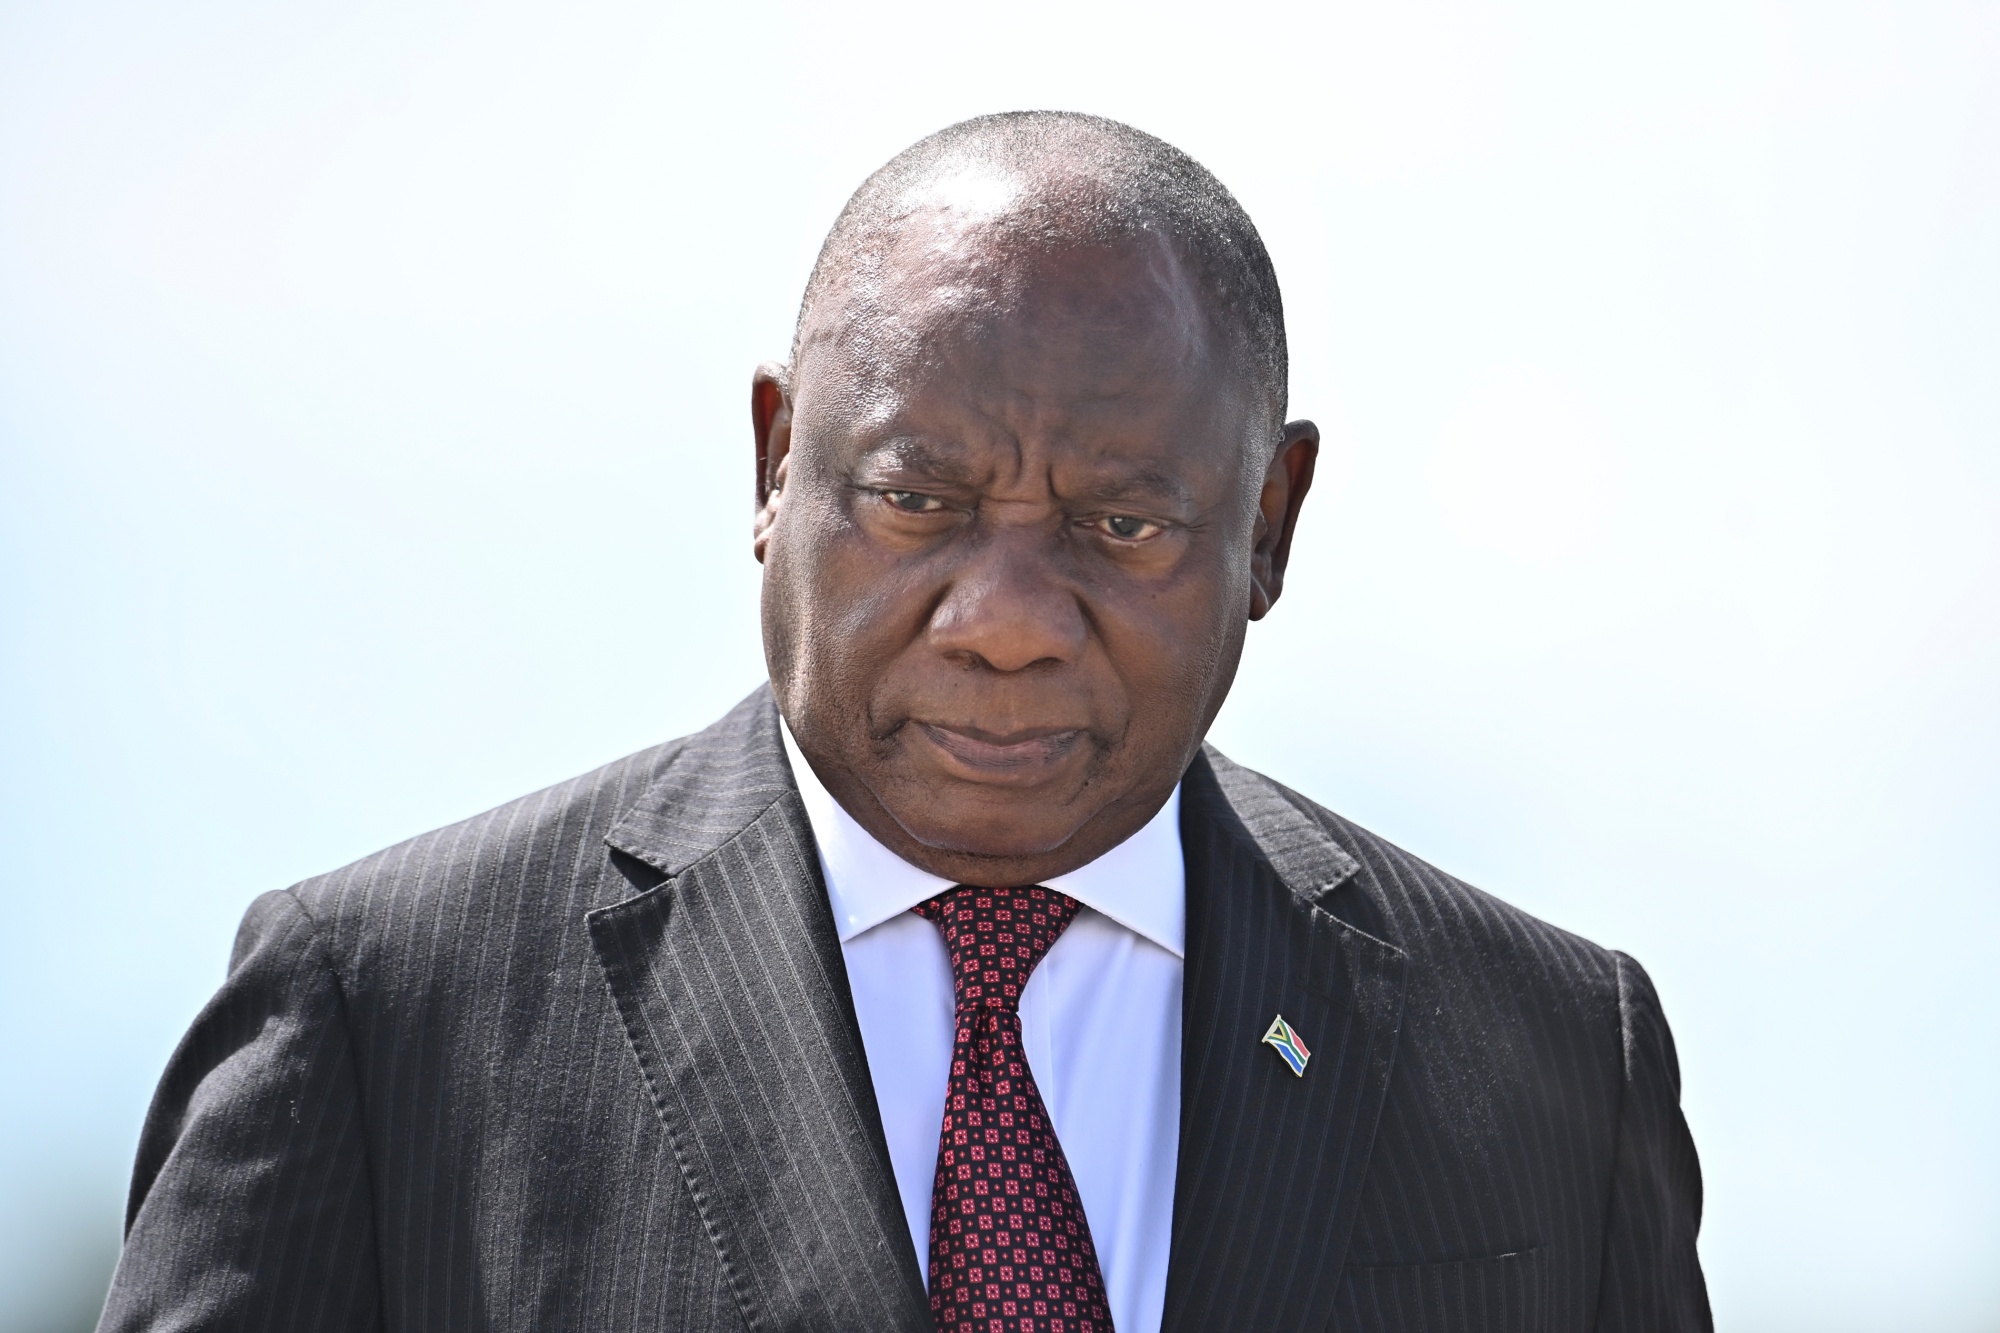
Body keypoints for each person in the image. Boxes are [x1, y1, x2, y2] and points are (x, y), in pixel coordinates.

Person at [98, 112, 1709, 1333]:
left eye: (1122, 523)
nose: (1003, 616)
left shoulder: (1557, 1058)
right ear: (773, 462)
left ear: (1270, 522)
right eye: (914, 498)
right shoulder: (383, 1024)